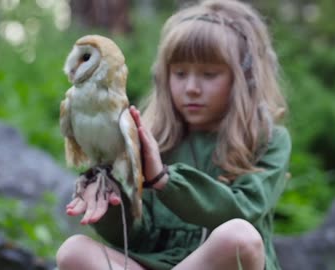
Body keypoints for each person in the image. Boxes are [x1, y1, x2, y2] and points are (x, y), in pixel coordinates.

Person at [56, 0, 291, 269]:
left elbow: (244, 211)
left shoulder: (267, 139)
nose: (191, 87)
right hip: (158, 264)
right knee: (73, 251)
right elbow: (138, 238)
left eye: (209, 74)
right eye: (179, 73)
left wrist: (164, 179)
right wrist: (109, 203)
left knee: (240, 236)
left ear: (244, 78)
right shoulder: (152, 137)